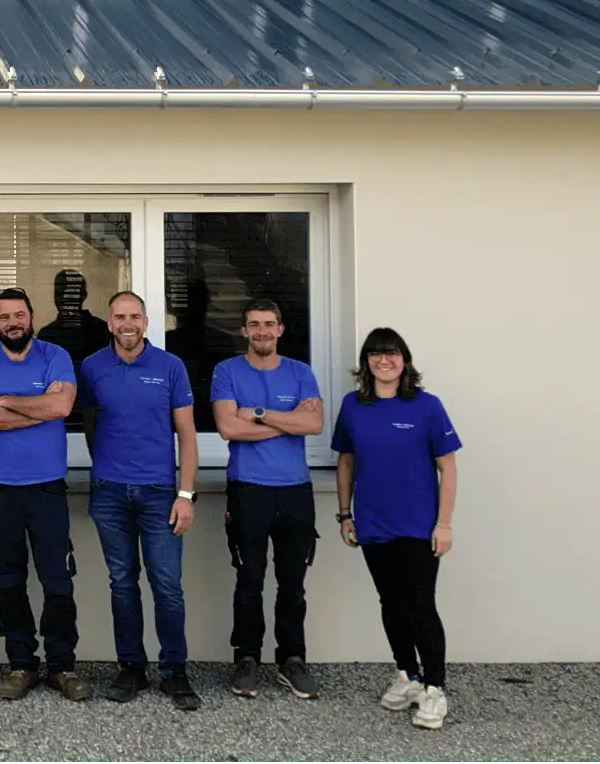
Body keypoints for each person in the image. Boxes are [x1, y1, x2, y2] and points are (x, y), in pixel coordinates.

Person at [0, 287, 91, 702]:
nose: (12, 323)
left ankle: (63, 667)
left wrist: (7, 402)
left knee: (57, 578)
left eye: (19, 315)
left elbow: (61, 408)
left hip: (46, 486)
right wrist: (37, 407)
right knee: (8, 579)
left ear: (31, 316)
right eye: (4, 317)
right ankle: (22, 665)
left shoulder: (55, 356)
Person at [77, 291, 202, 710]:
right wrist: (105, 466)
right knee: (122, 582)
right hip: (109, 492)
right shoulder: (93, 367)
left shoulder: (170, 367)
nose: (127, 324)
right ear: (109, 323)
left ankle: (174, 670)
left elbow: (187, 435)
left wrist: (185, 494)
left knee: (167, 585)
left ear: (146, 322)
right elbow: (91, 424)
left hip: (159, 494)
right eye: (119, 317)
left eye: (135, 316)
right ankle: (131, 666)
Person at [334, 328, 461, 731]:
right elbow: (346, 462)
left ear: (404, 361)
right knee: (390, 601)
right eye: (375, 354)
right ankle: (408, 675)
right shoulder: (353, 406)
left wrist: (444, 523)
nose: (383, 360)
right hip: (373, 522)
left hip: (418, 525)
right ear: (366, 362)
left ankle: (435, 688)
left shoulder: (427, 406)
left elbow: (448, 468)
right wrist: (344, 514)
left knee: (420, 603)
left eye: (391, 353)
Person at [211, 299, 325, 701]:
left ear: (280, 329)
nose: (262, 330)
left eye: (269, 323)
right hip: (249, 489)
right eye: (254, 324)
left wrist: (258, 413)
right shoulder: (227, 371)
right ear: (244, 330)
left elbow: (314, 423)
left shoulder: (300, 372)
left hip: (295, 489)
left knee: (293, 583)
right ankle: (246, 658)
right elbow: (228, 428)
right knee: (250, 580)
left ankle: (292, 659)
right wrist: (288, 421)